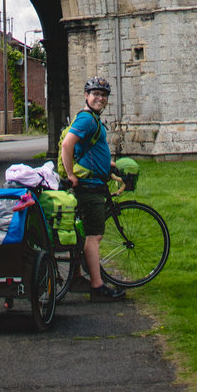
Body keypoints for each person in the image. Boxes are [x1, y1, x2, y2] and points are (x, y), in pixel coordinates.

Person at [60, 74, 126, 302]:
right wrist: (70, 175)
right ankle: (97, 287)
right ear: (87, 96)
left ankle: (77, 277)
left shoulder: (93, 120)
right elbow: (68, 144)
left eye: (103, 95)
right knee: (94, 236)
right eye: (96, 94)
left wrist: (108, 164)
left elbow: (88, 149)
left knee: (81, 233)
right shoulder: (87, 119)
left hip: (94, 181)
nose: (100, 98)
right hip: (89, 186)